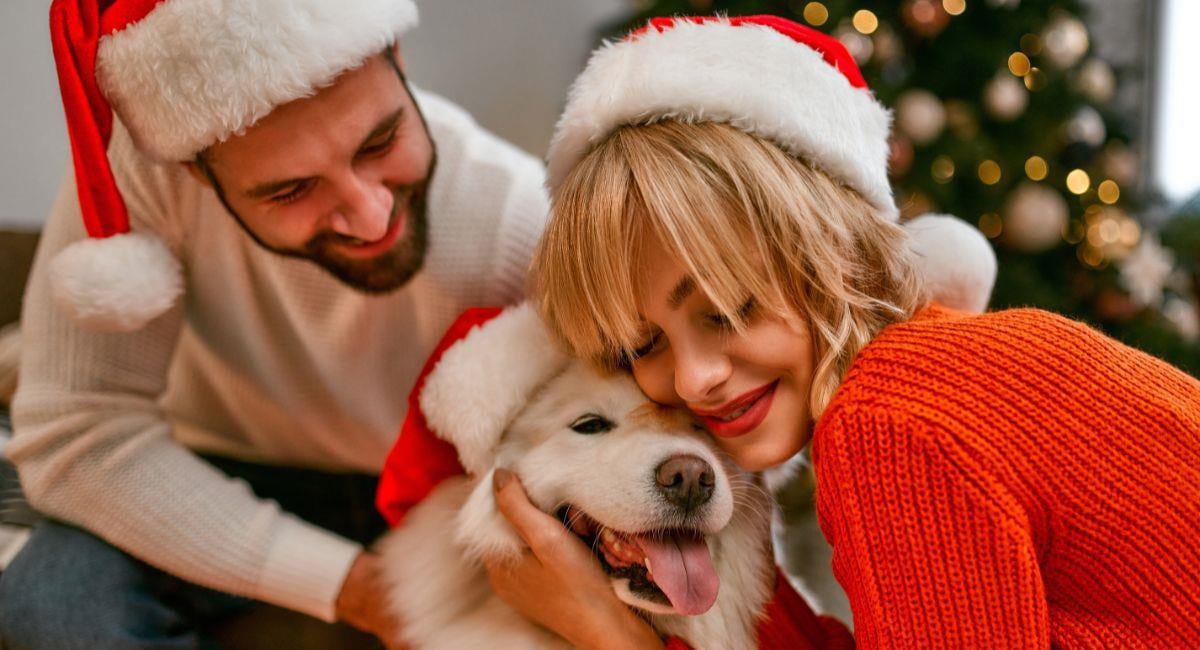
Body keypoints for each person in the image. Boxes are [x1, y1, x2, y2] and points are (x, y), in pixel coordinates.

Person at [490, 14, 1200, 649]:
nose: (693, 378)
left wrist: (607, 634)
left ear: (827, 251)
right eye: (645, 345)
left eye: (728, 308)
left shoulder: (890, 424)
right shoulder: (939, 362)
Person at [0, 0, 547, 647]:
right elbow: (74, 432)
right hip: (204, 467)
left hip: (430, 504)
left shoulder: (520, 217)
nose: (372, 218)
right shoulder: (135, 181)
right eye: (290, 191)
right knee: (52, 599)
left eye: (380, 142)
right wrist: (343, 584)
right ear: (195, 173)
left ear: (398, 57)